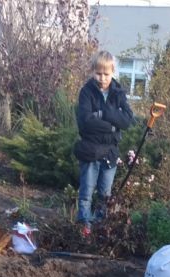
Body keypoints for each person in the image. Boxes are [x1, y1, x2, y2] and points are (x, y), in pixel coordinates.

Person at [74, 51, 134, 237]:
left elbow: (127, 120)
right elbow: (85, 122)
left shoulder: (118, 93)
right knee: (86, 193)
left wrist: (104, 114)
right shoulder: (86, 92)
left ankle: (99, 229)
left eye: (106, 74)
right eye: (98, 73)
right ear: (93, 71)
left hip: (110, 153)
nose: (102, 78)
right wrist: (112, 127)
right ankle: (85, 228)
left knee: (105, 195)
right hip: (90, 151)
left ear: (113, 72)